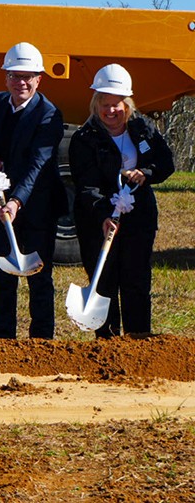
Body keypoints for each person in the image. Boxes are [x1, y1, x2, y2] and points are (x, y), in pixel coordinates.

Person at [0, 42, 65, 339]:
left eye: (27, 76)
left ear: (39, 79)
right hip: (1, 205)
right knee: (3, 275)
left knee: (38, 277)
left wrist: (17, 202)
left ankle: (41, 342)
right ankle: (1, 339)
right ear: (6, 78)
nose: (20, 82)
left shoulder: (49, 115)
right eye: (14, 76)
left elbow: (38, 164)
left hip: (36, 208)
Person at [69, 63, 174, 338]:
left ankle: (138, 342)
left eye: (117, 104)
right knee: (104, 281)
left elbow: (165, 164)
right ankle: (107, 343)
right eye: (105, 104)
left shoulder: (143, 129)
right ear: (96, 104)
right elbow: (86, 184)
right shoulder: (84, 138)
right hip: (98, 221)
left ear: (127, 104)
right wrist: (103, 214)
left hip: (138, 219)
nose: (111, 111)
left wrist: (146, 173)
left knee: (136, 281)